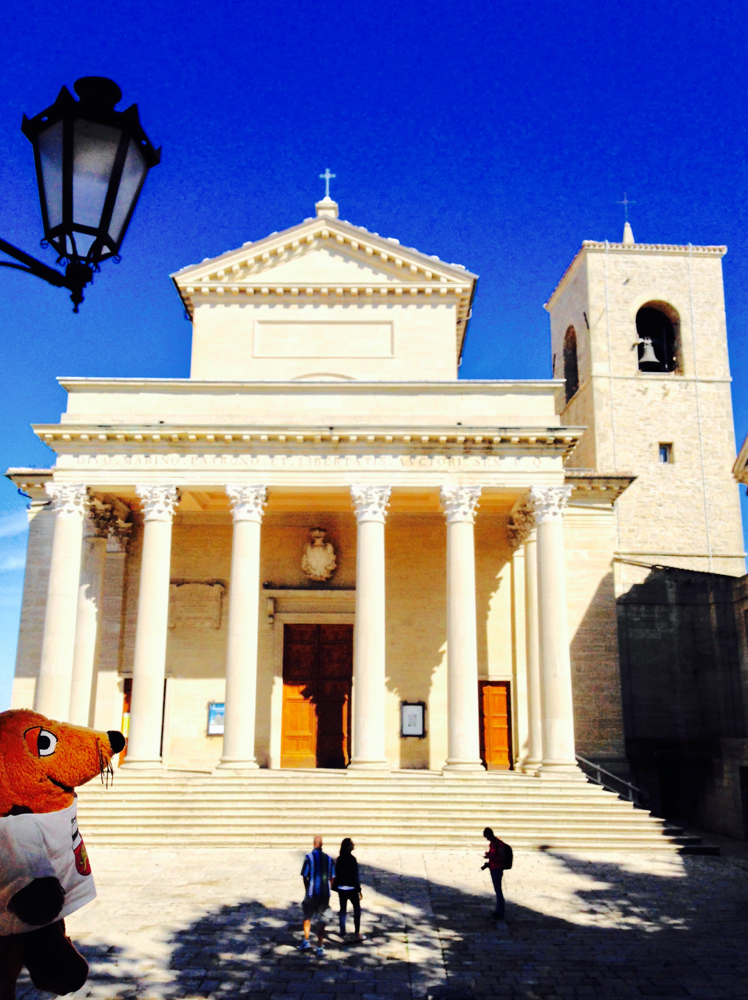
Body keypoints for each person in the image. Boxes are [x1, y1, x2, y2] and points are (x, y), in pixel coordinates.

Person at [299, 835, 335, 957]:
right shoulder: (329, 859)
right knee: (322, 919)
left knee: (307, 916)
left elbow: (305, 875)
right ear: (322, 844)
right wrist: (328, 888)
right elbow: (333, 876)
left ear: (314, 844)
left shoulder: (309, 857)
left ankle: (306, 940)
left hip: (312, 892)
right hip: (324, 894)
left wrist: (307, 888)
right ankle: (319, 946)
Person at [334, 838, 363, 941]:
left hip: (341, 888)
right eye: (351, 844)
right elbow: (355, 876)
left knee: (343, 910)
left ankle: (342, 932)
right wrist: (359, 889)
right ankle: (357, 932)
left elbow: (336, 873)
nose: (353, 845)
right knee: (357, 909)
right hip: (351, 888)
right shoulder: (352, 859)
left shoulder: (339, 859)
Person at [483, 827, 506, 920]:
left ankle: (500, 912)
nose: (487, 839)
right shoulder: (492, 844)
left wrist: (491, 857)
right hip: (493, 868)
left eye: (487, 837)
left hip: (497, 869)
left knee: (498, 891)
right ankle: (498, 910)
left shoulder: (499, 844)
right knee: (497, 891)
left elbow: (502, 858)